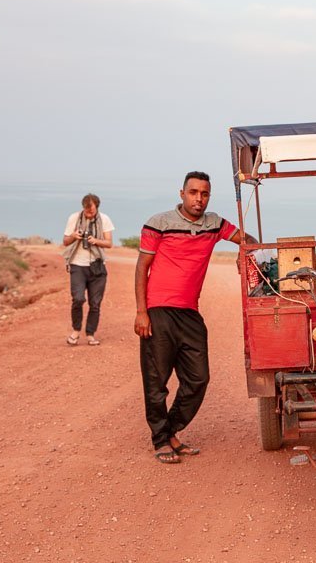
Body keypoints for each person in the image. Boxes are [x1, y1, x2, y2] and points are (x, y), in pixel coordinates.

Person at [134, 171, 255, 464]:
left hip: (190, 313)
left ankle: (171, 430)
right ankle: (161, 440)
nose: (198, 199)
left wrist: (246, 255)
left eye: (204, 194)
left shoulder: (213, 224)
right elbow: (142, 268)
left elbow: (247, 239)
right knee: (157, 381)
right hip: (159, 311)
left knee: (198, 379)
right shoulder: (158, 223)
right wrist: (141, 311)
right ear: (182, 193)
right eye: (193, 193)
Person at [62, 193, 114, 346]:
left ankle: (90, 334)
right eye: (86, 211)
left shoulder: (104, 219)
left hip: (97, 266)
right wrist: (73, 236)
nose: (89, 214)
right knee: (78, 299)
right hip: (78, 265)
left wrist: (95, 241)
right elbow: (65, 241)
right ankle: (76, 330)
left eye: (91, 211)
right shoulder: (74, 218)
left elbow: (109, 243)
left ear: (97, 207)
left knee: (95, 303)